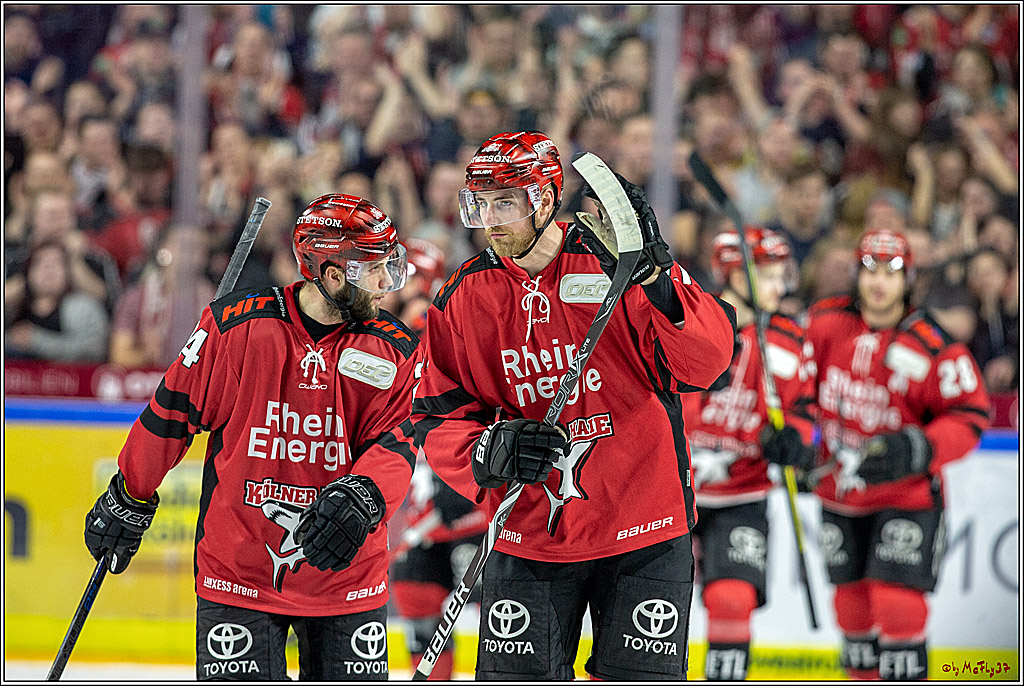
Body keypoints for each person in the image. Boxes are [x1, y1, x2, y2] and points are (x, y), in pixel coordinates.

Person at [411, 131, 736, 680]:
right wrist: (488, 451)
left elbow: (708, 364)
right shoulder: (463, 297)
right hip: (529, 533)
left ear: (544, 198)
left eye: (505, 203)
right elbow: (436, 416)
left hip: (644, 526)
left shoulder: (615, 263)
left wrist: (658, 279)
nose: (490, 220)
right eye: (480, 204)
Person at [82, 194, 421, 680]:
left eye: (389, 266)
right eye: (373, 269)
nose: (387, 283)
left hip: (347, 575)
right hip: (239, 574)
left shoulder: (396, 348)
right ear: (331, 274)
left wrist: (363, 496)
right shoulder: (235, 327)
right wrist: (129, 493)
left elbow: (396, 443)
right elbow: (171, 414)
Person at [805, 229, 990, 680]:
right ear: (857, 273)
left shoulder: (930, 342)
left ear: (907, 279)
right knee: (851, 610)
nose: (879, 282)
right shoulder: (824, 324)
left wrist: (920, 446)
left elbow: (970, 414)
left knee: (897, 604)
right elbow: (789, 385)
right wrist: (793, 435)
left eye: (891, 272)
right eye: (870, 269)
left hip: (907, 496)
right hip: (840, 492)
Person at [681, 227, 816, 680]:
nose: (780, 287)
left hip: (743, 492)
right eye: (768, 276)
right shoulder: (691, 321)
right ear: (735, 275)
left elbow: (803, 409)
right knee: (656, 603)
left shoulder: (789, 339)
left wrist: (792, 439)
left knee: (733, 598)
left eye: (782, 275)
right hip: (671, 494)